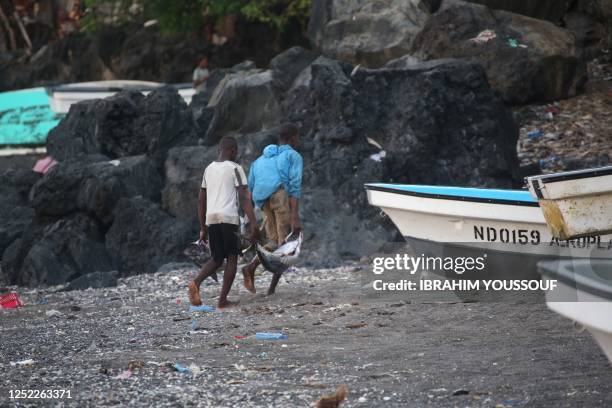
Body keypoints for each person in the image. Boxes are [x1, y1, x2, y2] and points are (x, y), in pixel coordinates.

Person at [188, 136, 259, 309]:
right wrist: (254, 223)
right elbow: (243, 197)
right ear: (233, 150)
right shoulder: (235, 168)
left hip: (212, 218)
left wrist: (203, 227)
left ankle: (196, 282)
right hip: (229, 218)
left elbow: (200, 200)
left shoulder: (208, 169)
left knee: (217, 258)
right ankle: (222, 301)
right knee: (233, 257)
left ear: (219, 150)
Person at [241, 123, 303, 295]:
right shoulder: (293, 156)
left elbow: (250, 187)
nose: (298, 141)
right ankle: (268, 286)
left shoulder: (260, 160)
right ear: (291, 139)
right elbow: (295, 186)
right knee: (285, 244)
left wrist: (249, 217)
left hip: (263, 201)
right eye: (297, 138)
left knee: (275, 242)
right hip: (280, 197)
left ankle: (253, 271)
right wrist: (295, 217)